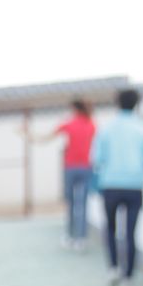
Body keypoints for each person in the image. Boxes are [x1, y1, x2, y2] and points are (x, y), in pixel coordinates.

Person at [90, 88, 143, 286]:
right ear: (136, 104)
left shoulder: (107, 128)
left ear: (117, 103)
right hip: (135, 185)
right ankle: (128, 276)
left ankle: (113, 268)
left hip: (110, 184)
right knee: (130, 232)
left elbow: (96, 158)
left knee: (110, 228)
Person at [52, 98, 96, 247]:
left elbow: (48, 136)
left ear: (74, 108)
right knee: (82, 204)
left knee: (71, 203)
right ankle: (81, 238)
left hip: (71, 168)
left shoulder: (69, 124)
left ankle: (70, 235)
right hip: (86, 168)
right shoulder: (91, 124)